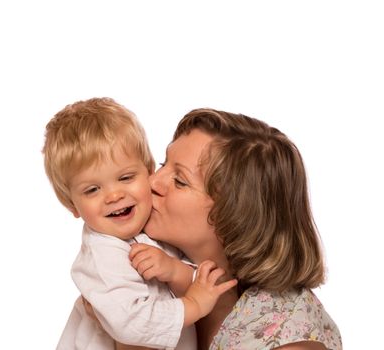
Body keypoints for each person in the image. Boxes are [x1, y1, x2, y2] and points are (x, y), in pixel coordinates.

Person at [133, 108, 342, 350]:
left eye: (180, 181)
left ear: (236, 215)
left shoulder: (290, 341)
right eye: (162, 164)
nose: (152, 181)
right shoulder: (144, 273)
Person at [42, 98, 237, 350]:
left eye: (125, 177)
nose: (113, 196)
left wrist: (175, 271)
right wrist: (194, 306)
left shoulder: (154, 227)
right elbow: (132, 324)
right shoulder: (103, 257)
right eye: (92, 189)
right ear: (71, 205)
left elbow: (194, 278)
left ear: (148, 172)